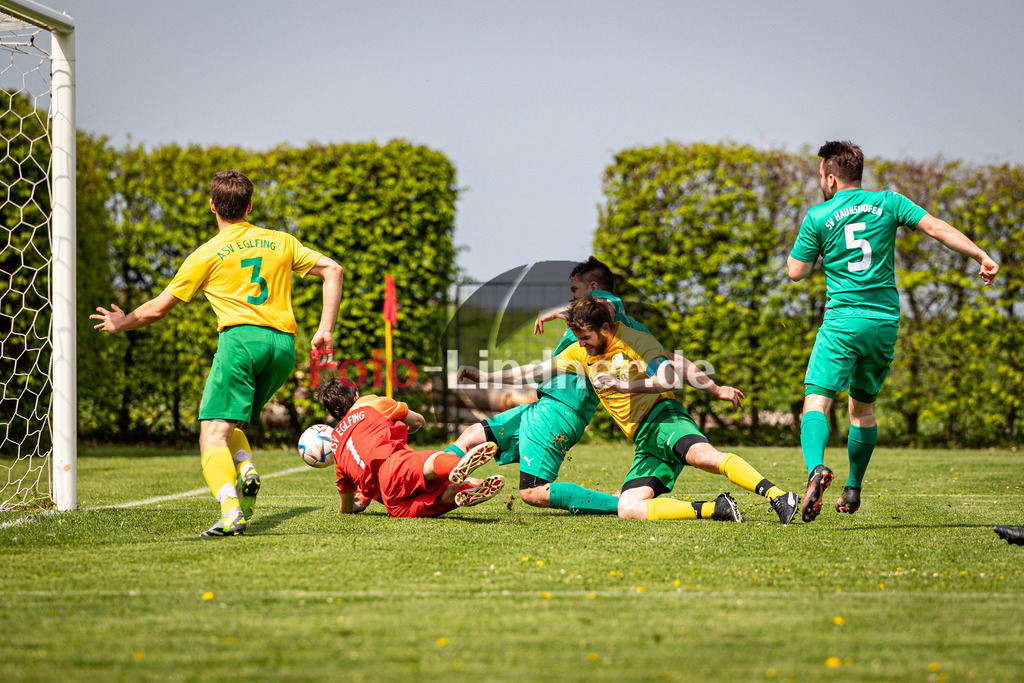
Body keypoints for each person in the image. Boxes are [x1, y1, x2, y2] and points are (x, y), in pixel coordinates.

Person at [91, 170, 344, 537]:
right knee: (231, 425)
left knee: (211, 434)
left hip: (240, 342)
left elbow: (157, 309)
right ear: (250, 206)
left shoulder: (207, 253)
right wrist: (325, 330)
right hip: (282, 348)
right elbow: (333, 269)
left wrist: (121, 322)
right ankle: (245, 468)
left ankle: (230, 511)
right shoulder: (281, 241)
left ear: (212, 206)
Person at [787, 141, 999, 523]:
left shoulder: (818, 215)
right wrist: (980, 255)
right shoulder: (889, 202)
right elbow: (936, 228)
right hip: (883, 323)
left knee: (816, 402)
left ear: (831, 179)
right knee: (863, 408)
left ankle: (816, 469)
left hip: (843, 321)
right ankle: (853, 488)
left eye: (820, 176)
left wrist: (820, 246)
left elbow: (795, 271)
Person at [468, 295, 799, 524]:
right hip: (644, 439)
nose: (581, 345)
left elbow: (669, 378)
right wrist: (485, 377)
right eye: (578, 339)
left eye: (585, 338)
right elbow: (534, 370)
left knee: (704, 457)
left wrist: (624, 385)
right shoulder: (581, 351)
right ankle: (716, 508)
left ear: (605, 328)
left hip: (662, 417)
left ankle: (779, 496)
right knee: (627, 508)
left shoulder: (635, 341)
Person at [454, 257, 659, 515]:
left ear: (593, 288)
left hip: (560, 412)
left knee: (533, 492)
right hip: (543, 406)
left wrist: (562, 310)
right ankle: (438, 483)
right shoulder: (583, 333)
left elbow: (605, 305)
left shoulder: (604, 314)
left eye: (575, 290)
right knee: (471, 436)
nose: (570, 298)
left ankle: (619, 505)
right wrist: (485, 376)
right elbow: (536, 370)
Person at [316, 378, 505, 517]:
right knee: (428, 463)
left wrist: (363, 499)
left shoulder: (336, 447)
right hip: (393, 465)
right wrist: (403, 428)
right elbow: (418, 421)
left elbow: (347, 508)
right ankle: (456, 466)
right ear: (356, 395)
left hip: (392, 502)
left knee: (438, 497)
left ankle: (468, 487)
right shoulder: (369, 403)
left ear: (333, 413)